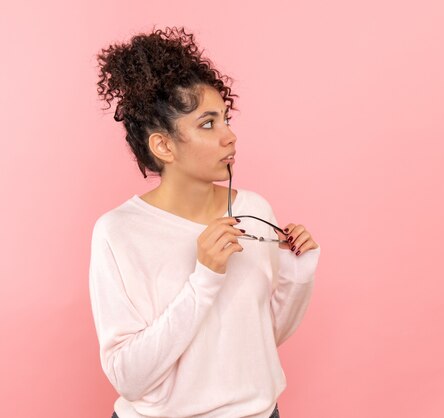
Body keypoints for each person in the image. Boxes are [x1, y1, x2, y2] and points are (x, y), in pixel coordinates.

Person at [90, 25, 321, 418]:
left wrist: (297, 273)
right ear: (163, 146)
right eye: (208, 124)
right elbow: (129, 377)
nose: (230, 136)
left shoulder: (256, 209)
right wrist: (205, 277)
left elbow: (262, 341)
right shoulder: (119, 232)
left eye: (226, 119)